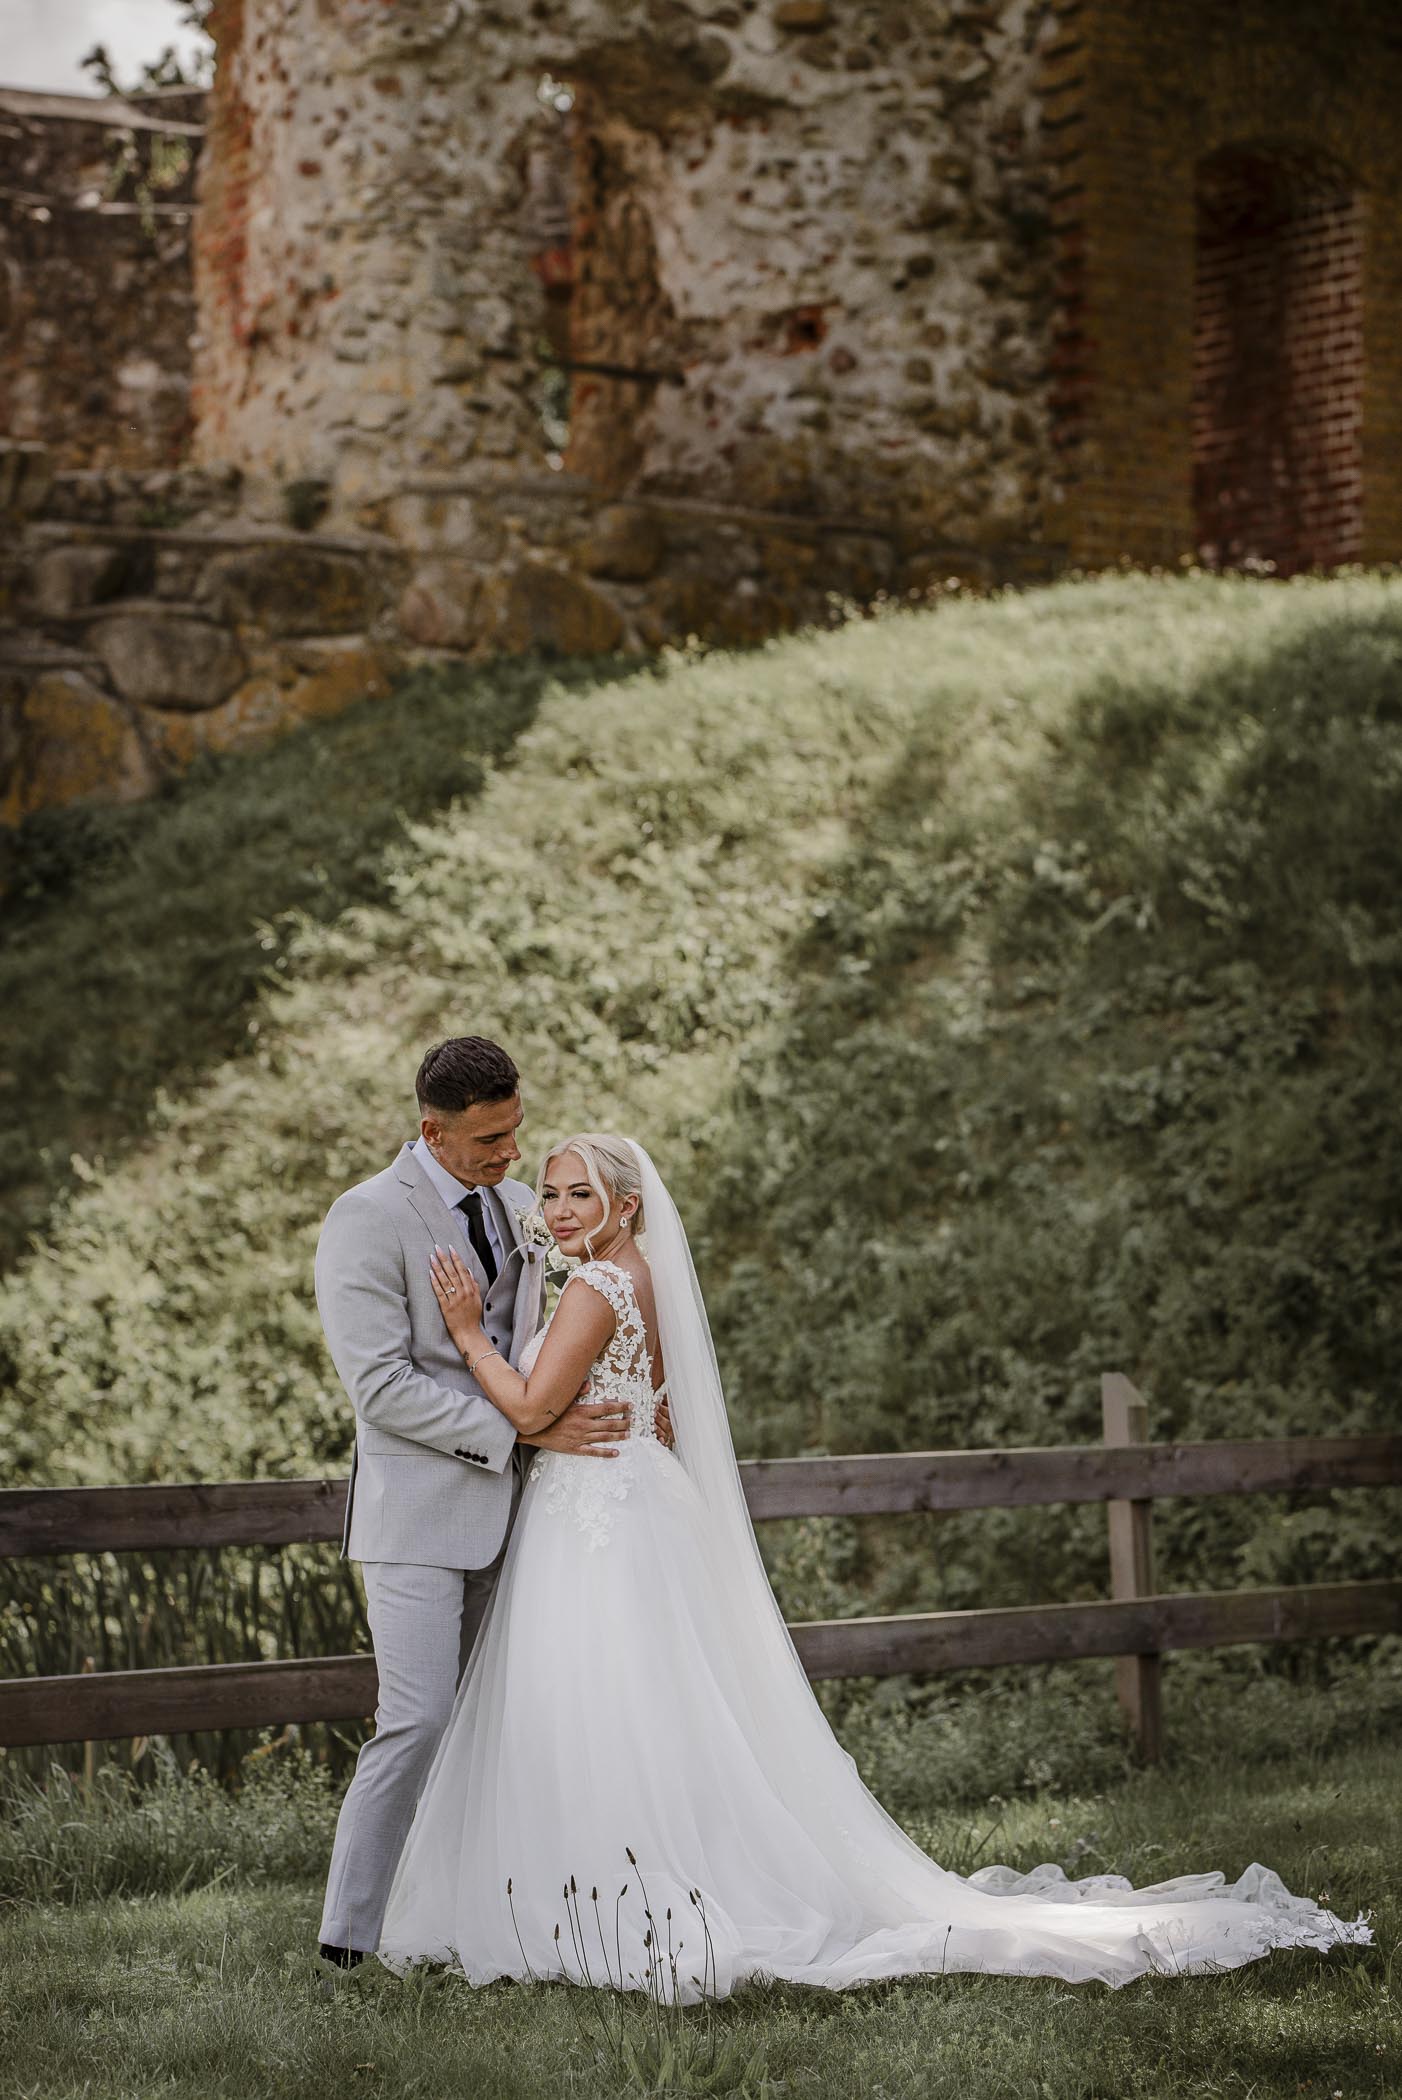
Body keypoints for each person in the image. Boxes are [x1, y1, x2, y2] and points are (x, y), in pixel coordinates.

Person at [374, 1131, 1374, 1997]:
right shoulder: (638, 1279)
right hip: (635, 1500)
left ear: (626, 1207)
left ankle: (596, 1897)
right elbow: (655, 1415)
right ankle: (630, 1881)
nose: (555, 1209)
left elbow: (531, 1405)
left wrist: (467, 1333)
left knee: (596, 1703)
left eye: (578, 1192)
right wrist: (570, 1435)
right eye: (547, 1192)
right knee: (651, 1706)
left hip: (598, 1515)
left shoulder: (595, 1282)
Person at [312, 1041, 672, 1968]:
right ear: (433, 1129)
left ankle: (481, 1917)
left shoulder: (521, 1208)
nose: (512, 1154)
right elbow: (381, 1386)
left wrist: (535, 1430)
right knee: (419, 1718)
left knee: (501, 1723)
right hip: (421, 1516)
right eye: (489, 1139)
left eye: (514, 1131)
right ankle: (347, 1938)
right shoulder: (366, 1218)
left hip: (527, 1515)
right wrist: (521, 1429)